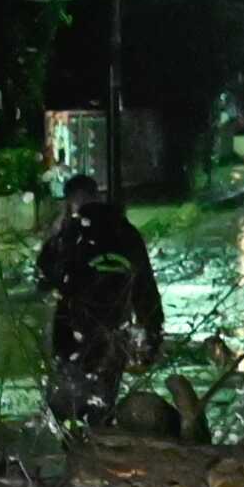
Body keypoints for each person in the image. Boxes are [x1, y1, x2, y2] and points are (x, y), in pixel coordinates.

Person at [35, 174, 164, 427]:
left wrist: (54, 234)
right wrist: (152, 335)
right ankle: (100, 450)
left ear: (70, 202)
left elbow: (43, 278)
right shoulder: (126, 233)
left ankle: (77, 453)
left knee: (65, 411)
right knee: (101, 406)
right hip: (114, 332)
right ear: (97, 196)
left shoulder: (70, 234)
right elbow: (145, 288)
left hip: (72, 334)